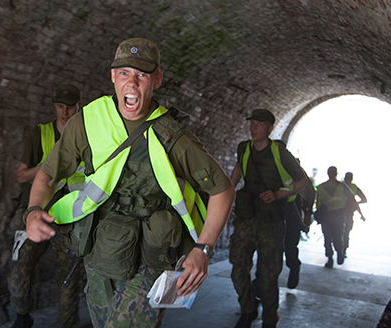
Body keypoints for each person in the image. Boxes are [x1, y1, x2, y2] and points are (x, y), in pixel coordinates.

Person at [23, 38, 235, 328]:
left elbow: (222, 190)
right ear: (112, 76)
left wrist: (204, 249)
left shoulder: (171, 136)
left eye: (142, 75)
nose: (132, 83)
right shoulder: (88, 122)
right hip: (101, 253)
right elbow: (48, 174)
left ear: (157, 79)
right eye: (124, 73)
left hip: (151, 257)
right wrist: (34, 209)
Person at [8, 84, 84, 328]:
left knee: (68, 281)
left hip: (71, 220)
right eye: (60, 106)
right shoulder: (40, 135)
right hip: (38, 216)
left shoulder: (87, 137)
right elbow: (21, 176)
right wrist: (49, 165)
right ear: (54, 106)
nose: (65, 112)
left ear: (78, 107)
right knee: (20, 266)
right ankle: (22, 316)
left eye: (70, 107)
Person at [229, 109, 309, 328]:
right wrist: (225, 198)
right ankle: (248, 309)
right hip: (246, 219)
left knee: (267, 275)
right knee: (237, 268)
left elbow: (302, 181)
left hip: (271, 222)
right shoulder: (244, 148)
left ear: (270, 128)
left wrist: (279, 194)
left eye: (259, 124)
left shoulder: (279, 152)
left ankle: (269, 320)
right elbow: (235, 175)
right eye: (252, 123)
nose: (254, 128)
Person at [314, 166, 359, 268]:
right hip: (337, 215)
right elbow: (352, 200)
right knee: (335, 237)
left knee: (328, 238)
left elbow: (317, 203)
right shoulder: (342, 187)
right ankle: (338, 253)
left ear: (328, 173)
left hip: (330, 216)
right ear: (336, 174)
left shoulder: (321, 187)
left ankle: (333, 256)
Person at [342, 172, 367, 256]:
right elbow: (363, 200)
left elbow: (364, 199)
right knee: (343, 232)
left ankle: (343, 249)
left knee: (346, 232)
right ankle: (341, 249)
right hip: (341, 212)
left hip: (346, 212)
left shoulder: (341, 186)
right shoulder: (347, 187)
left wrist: (355, 203)